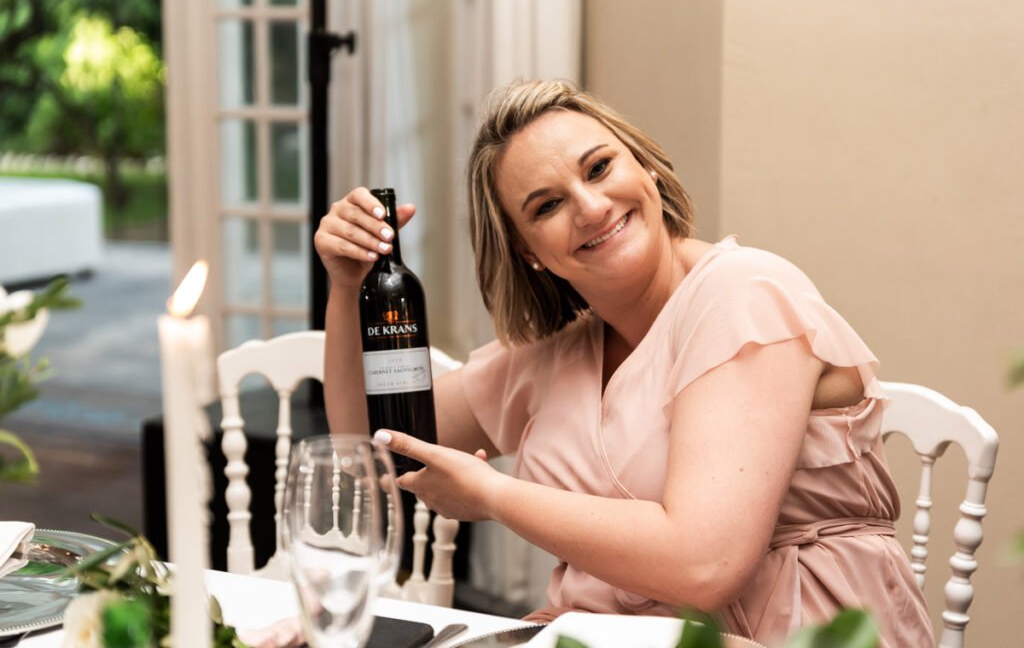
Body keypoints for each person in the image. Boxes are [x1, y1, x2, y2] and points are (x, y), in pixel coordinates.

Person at [313, 79, 933, 647]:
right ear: (528, 252)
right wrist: (346, 285)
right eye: (546, 206)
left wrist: (493, 495)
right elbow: (372, 440)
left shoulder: (743, 294)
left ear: (646, 168)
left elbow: (705, 566)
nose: (590, 207)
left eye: (600, 168)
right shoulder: (553, 355)